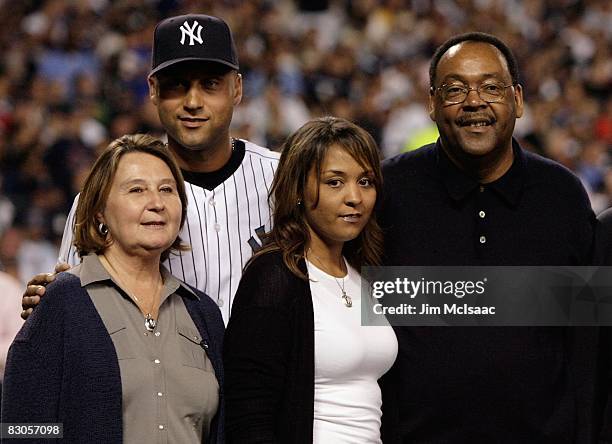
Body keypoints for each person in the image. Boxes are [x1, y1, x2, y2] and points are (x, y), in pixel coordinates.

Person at [379, 32, 601, 442]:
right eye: (455, 89)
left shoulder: (562, 196)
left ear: (517, 99)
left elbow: (585, 345)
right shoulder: (389, 191)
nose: (474, 101)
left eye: (491, 87)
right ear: (431, 103)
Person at [23, 14, 280, 324]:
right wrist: (48, 307)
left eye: (210, 84)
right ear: (154, 89)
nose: (193, 101)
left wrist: (359, 331)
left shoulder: (286, 177)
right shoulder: (103, 196)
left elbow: (354, 267)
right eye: (177, 86)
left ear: (236, 89)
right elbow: (67, 316)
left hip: (270, 371)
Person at [2, 134, 225, 443]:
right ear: (100, 212)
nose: (157, 203)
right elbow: (21, 431)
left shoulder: (203, 312)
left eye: (167, 190)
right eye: (137, 190)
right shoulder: (61, 300)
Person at [223, 116, 398, 443]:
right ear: (299, 188)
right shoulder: (274, 275)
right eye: (335, 182)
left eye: (365, 181)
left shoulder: (363, 270)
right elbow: (249, 413)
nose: (354, 198)